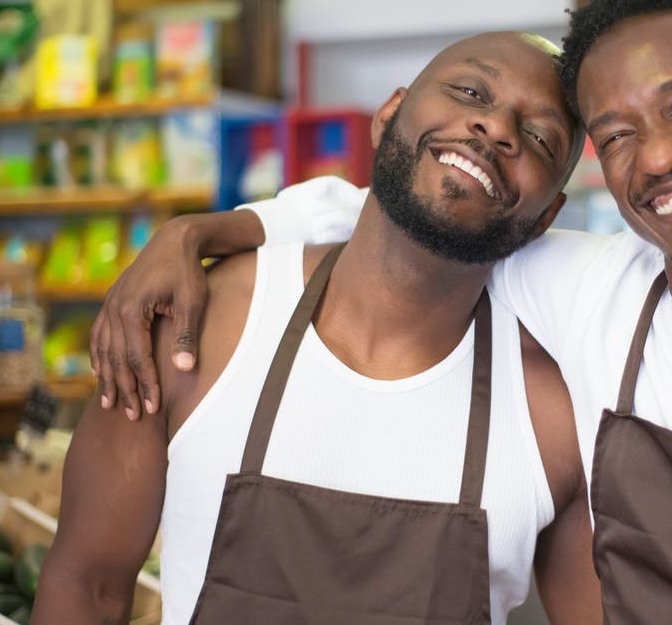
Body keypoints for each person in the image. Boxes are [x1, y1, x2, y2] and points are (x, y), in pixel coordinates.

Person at [93, 0, 672, 623]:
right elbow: (408, 212)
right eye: (617, 135)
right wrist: (206, 230)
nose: (657, 157)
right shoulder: (595, 299)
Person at [36, 31, 604, 625]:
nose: (496, 128)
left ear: (548, 219)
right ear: (389, 116)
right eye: (469, 91)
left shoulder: (556, 413)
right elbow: (86, 587)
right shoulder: (196, 329)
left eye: (539, 136)